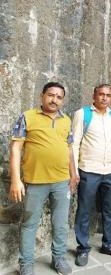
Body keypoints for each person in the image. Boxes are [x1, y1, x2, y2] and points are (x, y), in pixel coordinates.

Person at [9, 82, 78, 275]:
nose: (54, 99)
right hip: (35, 182)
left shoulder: (66, 120)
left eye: (58, 97)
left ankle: (59, 259)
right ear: (42, 96)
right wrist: (16, 179)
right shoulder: (28, 117)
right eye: (50, 95)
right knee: (29, 223)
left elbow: (69, 149)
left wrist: (74, 174)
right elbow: (16, 149)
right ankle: (26, 264)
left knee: (61, 223)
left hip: (61, 182)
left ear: (62, 100)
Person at [72, 84, 111, 266]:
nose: (104, 98)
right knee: (85, 210)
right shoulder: (83, 114)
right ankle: (82, 248)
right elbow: (74, 143)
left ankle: (109, 244)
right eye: (101, 94)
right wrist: (74, 171)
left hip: (110, 170)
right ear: (94, 96)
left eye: (108, 95)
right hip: (88, 169)